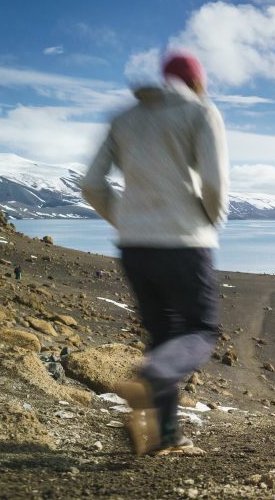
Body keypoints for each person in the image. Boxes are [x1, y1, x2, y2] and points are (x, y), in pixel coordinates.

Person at [81, 51, 229, 456]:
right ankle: (149, 380)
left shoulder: (124, 119)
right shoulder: (200, 112)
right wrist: (208, 223)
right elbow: (214, 185)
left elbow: (92, 184)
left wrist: (126, 221)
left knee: (163, 336)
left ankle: (166, 436)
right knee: (201, 331)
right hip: (184, 243)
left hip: (134, 248)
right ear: (197, 82)